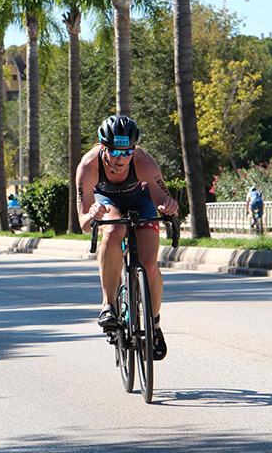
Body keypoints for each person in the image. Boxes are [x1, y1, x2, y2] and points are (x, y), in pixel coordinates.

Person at [75, 115, 179, 360]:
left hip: (140, 201)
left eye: (127, 151)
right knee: (113, 230)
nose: (121, 158)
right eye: (114, 152)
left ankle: (153, 324)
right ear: (103, 147)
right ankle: (108, 305)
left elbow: (162, 198)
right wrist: (92, 215)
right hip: (106, 202)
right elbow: (82, 223)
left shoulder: (143, 161)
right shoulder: (88, 166)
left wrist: (168, 206)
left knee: (149, 263)